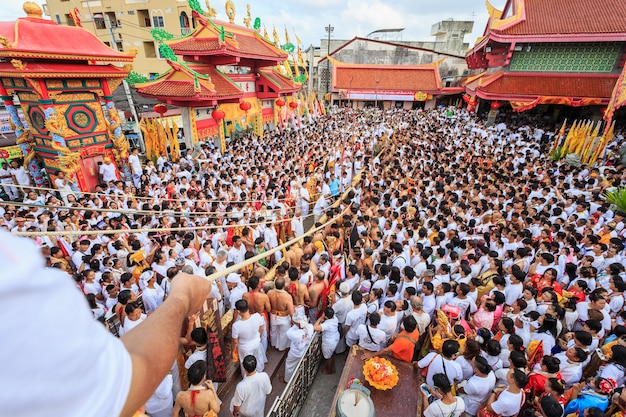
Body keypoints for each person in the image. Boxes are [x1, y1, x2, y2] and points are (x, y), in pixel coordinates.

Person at [0, 231, 211, 417]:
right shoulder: (14, 279)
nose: (138, 310)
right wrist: (181, 299)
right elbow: (123, 380)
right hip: (153, 395)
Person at [231, 299, 266, 373]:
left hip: (245, 348)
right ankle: (259, 371)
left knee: (246, 364)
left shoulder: (236, 326)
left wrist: (233, 351)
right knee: (258, 358)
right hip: (256, 342)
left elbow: (235, 341)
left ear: (238, 311)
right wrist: (258, 336)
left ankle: (249, 376)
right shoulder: (257, 316)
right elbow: (261, 328)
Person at [283, 312, 313, 383]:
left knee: (289, 365)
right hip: (304, 350)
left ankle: (287, 380)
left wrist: (295, 324)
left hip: (295, 353)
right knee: (299, 364)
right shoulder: (310, 327)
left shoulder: (293, 333)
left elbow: (289, 332)